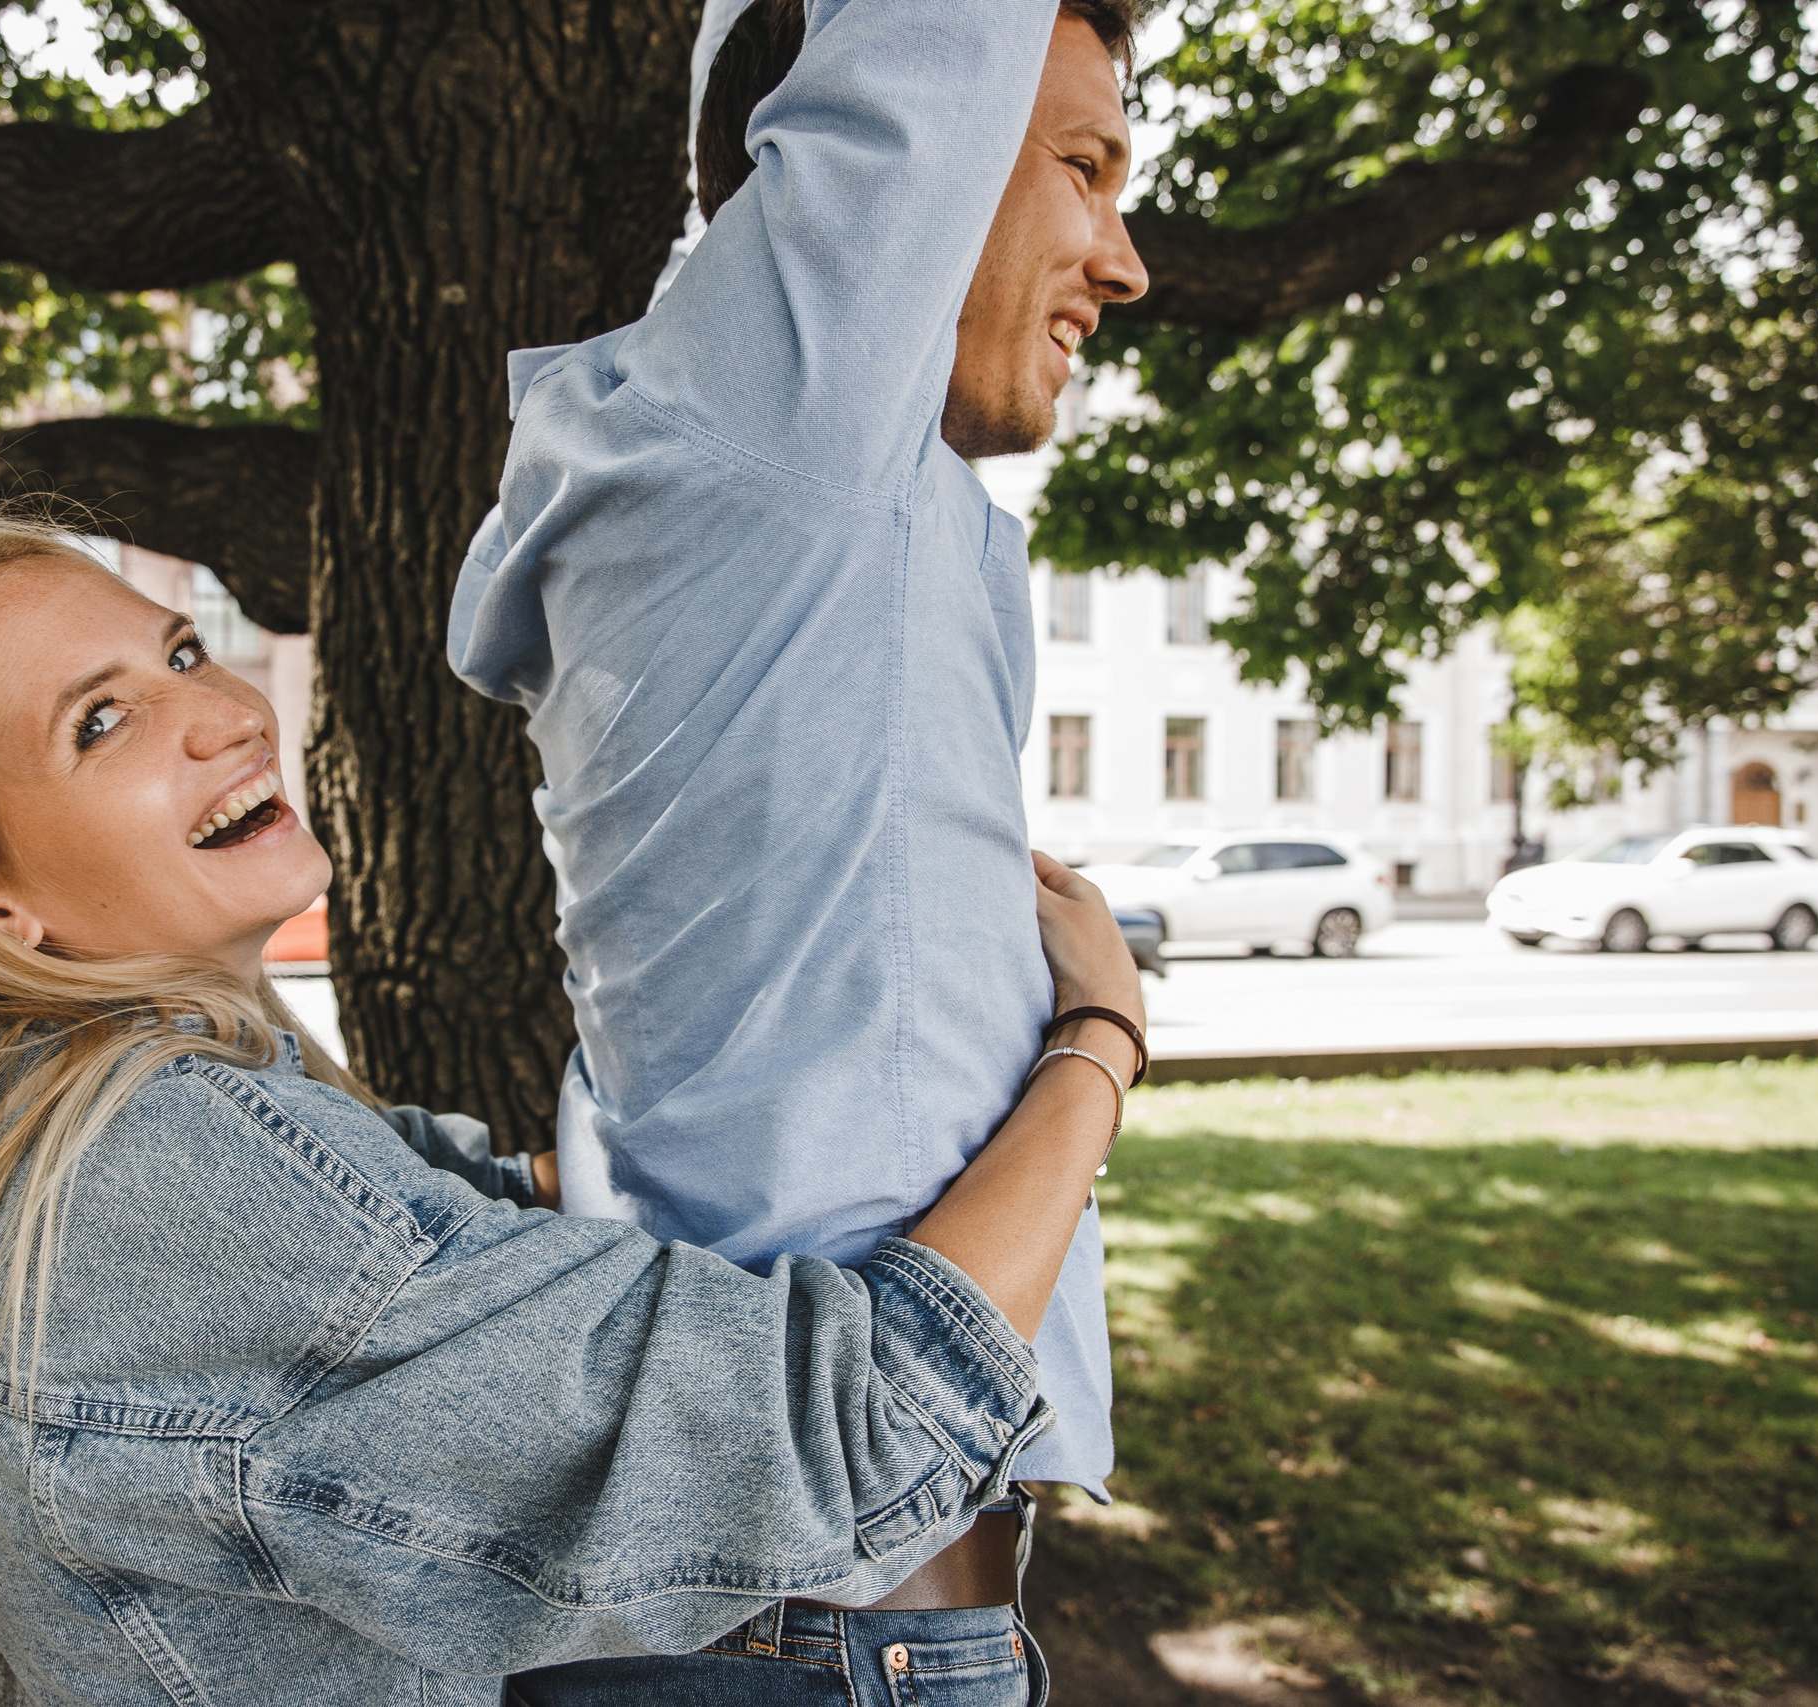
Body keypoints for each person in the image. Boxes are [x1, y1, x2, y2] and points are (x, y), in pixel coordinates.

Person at [0, 519, 1147, 1707]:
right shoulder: (162, 1175)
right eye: (102, 723)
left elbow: (453, 1220)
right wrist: (1096, 1044)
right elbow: (829, 1440)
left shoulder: (54, 1124)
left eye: (182, 649)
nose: (221, 714)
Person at [450, 0, 1150, 1684]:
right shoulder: (775, 439)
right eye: (1082, 168)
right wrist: (1105, 1031)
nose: (1123, 261)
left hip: (802, 1624)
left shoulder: (799, 510)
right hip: (821, 1645)